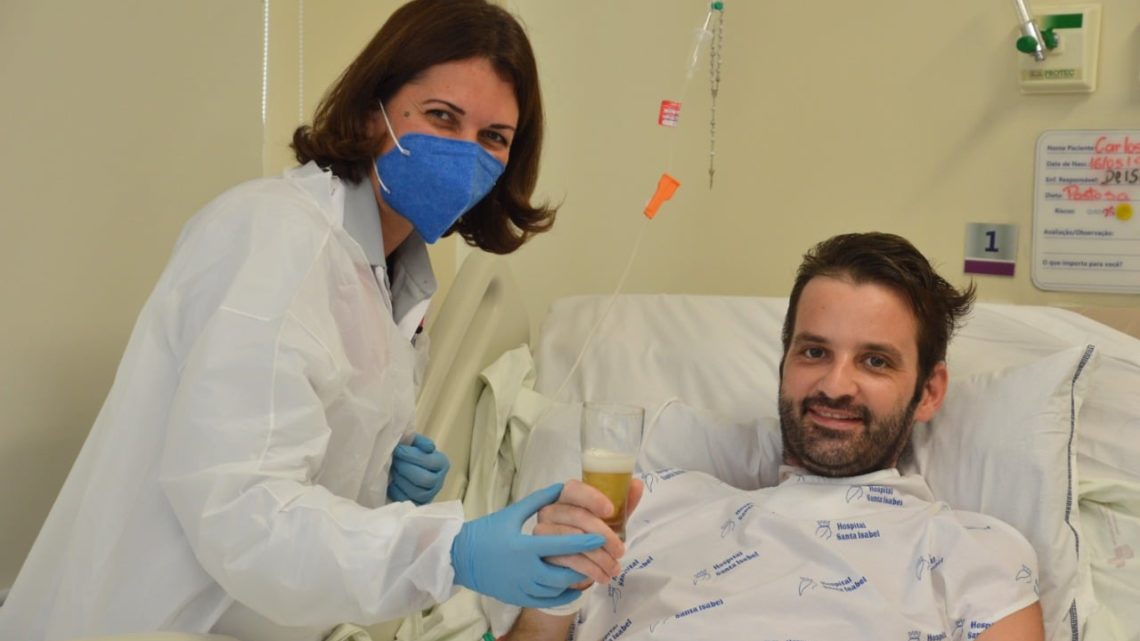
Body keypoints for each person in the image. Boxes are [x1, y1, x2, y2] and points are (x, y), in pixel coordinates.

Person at [0, 2, 623, 640]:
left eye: (494, 137)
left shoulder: (392, 275)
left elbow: (294, 454)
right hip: (158, 618)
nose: (467, 154)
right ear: (368, 112)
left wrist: (380, 477)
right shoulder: (276, 240)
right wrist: (448, 552)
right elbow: (245, 513)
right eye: (441, 116)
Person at [508, 232, 1046, 641]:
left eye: (875, 361)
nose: (836, 386)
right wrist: (549, 598)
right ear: (785, 363)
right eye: (814, 352)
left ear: (929, 392)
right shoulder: (648, 507)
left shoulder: (975, 552)